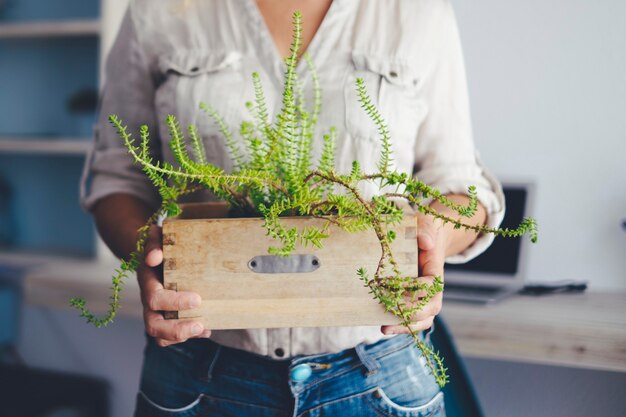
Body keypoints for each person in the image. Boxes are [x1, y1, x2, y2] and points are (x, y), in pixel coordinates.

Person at [80, 0, 505, 415]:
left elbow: (462, 186)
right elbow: (118, 179)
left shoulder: (416, 12)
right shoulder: (159, 11)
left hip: (377, 374)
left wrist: (436, 235)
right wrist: (147, 253)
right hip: (199, 371)